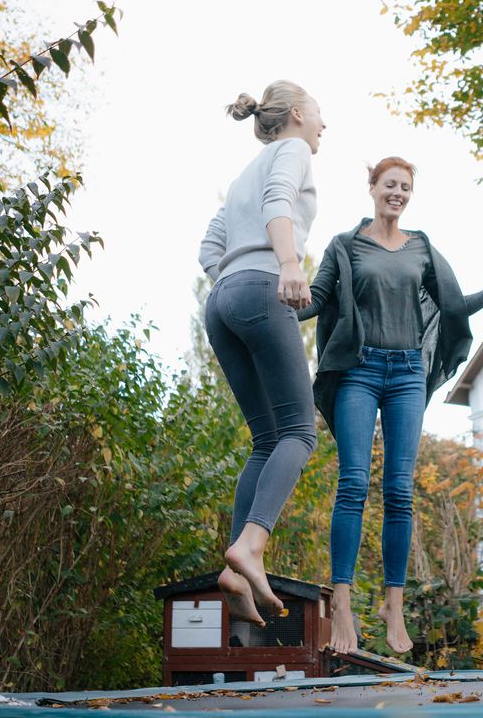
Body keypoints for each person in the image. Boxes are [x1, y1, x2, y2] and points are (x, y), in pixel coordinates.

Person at [298, 157, 483, 654]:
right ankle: (341, 602)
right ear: (373, 188)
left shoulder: (421, 246)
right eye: (390, 185)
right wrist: (279, 294)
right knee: (354, 482)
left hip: (406, 374)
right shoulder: (345, 246)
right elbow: (316, 300)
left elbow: (451, 307)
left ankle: (393, 605)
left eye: (405, 187)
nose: (398, 193)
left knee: (399, 489)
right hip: (359, 370)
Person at [198, 80, 325, 626]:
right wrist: (288, 264)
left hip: (221, 300)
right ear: (297, 114)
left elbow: (209, 249)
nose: (324, 126)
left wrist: (233, 282)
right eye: (321, 114)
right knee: (301, 433)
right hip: (261, 286)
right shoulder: (292, 150)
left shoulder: (238, 177)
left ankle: (234, 564)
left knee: (267, 439)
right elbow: (279, 203)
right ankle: (251, 546)